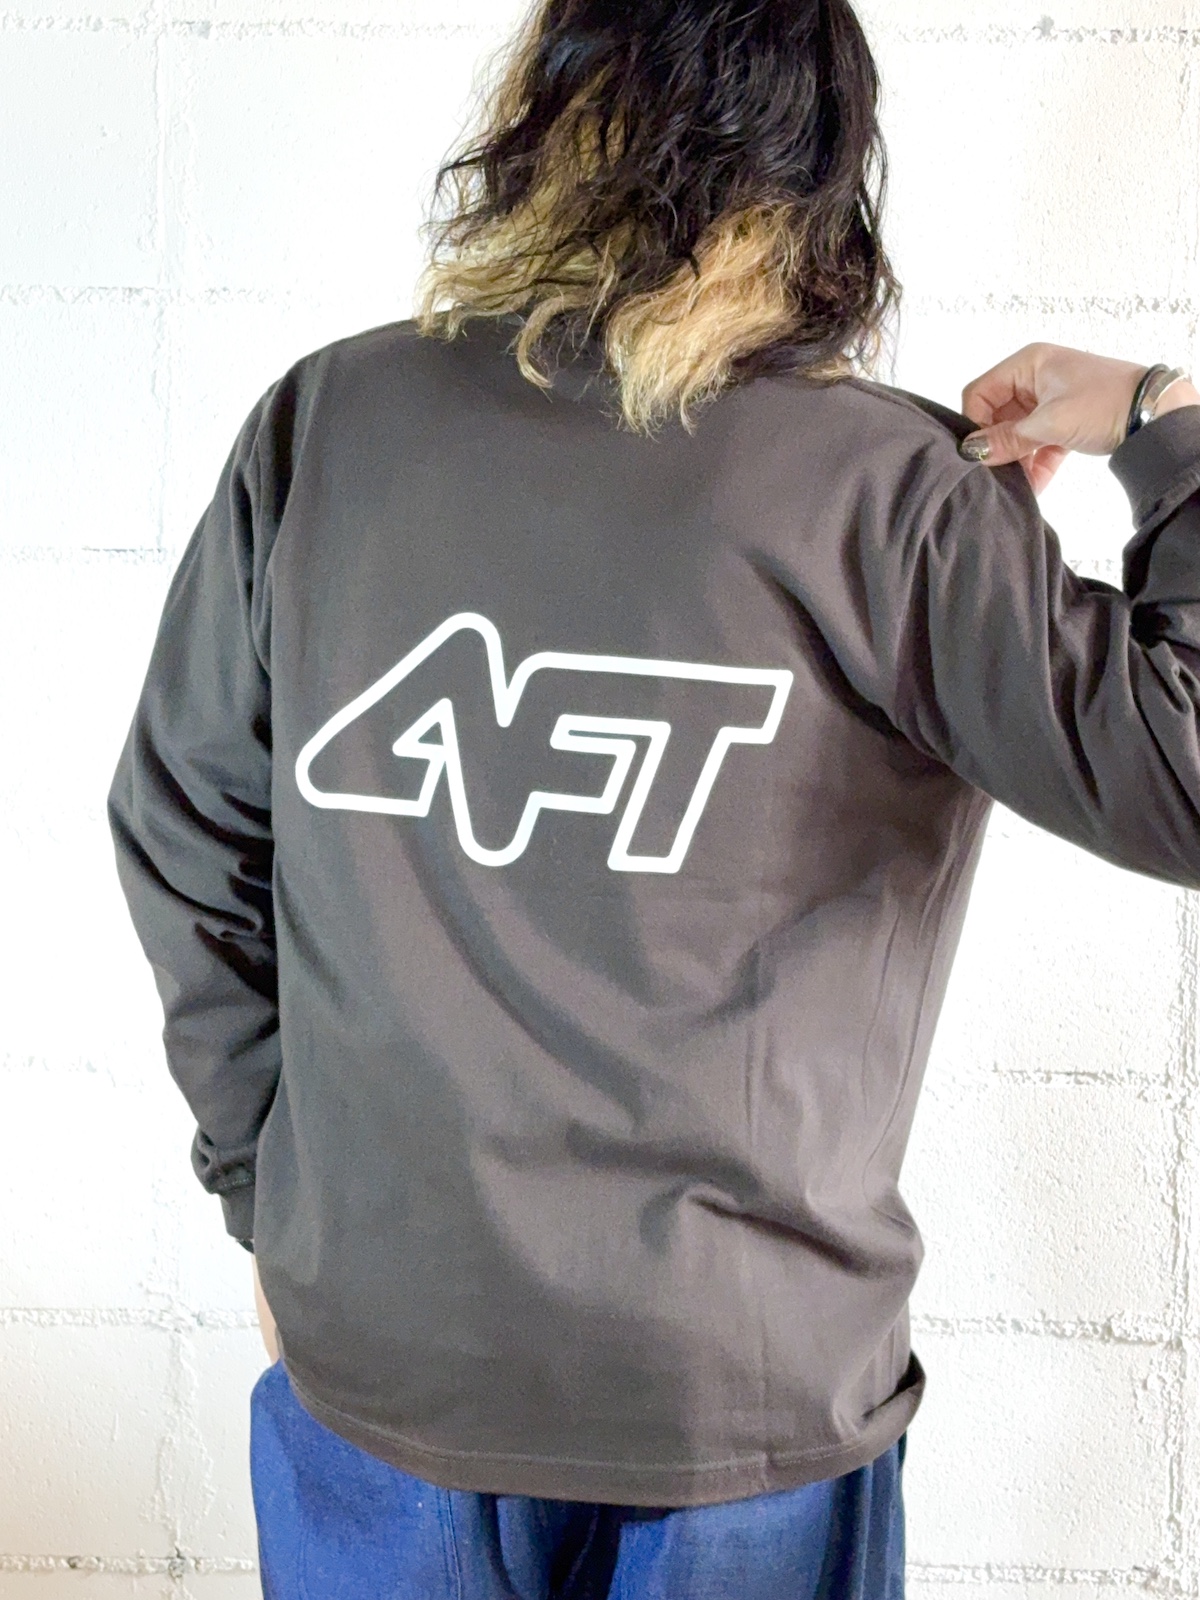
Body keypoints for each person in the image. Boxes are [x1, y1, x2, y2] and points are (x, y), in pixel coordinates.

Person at [106, 0, 1200, 1595]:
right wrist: (1165, 425)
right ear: (821, 170)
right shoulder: (895, 495)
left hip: (391, 1355)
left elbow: (180, 831)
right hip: (732, 1396)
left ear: (550, 115)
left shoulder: (329, 422)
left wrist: (272, 1200)